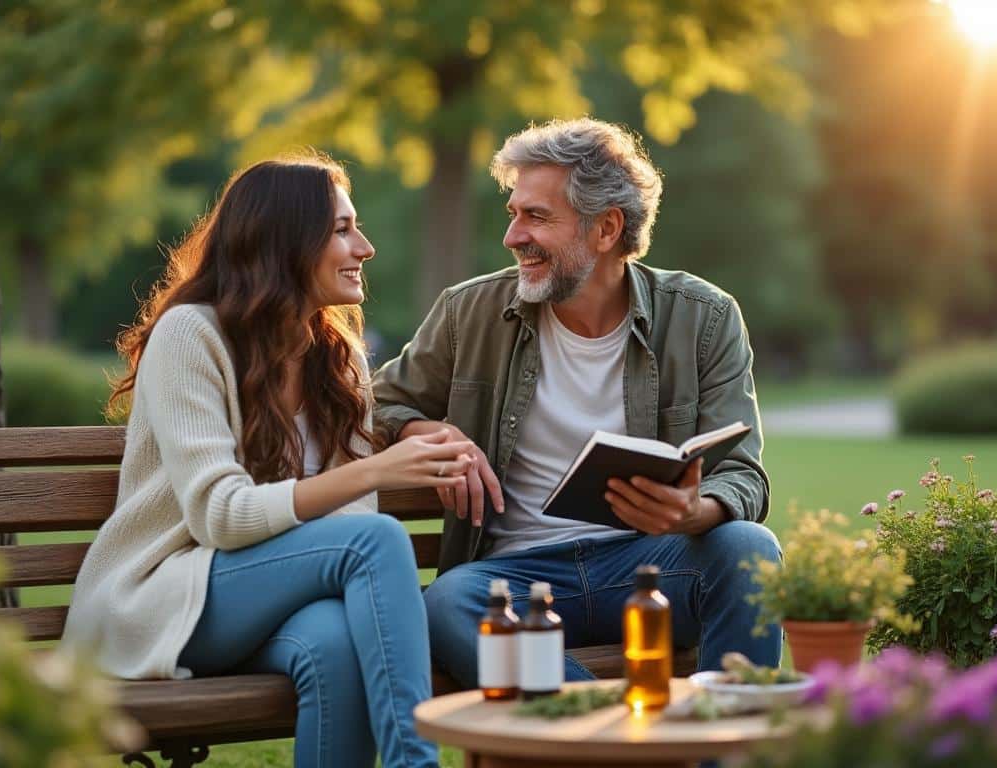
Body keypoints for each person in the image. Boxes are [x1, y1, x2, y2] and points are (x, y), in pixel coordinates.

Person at [63, 155, 473, 768]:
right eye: (340, 229)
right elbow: (219, 518)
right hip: (164, 602)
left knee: (333, 646)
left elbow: (345, 517)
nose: (364, 246)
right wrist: (378, 470)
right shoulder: (190, 335)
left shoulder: (338, 359)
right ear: (284, 239)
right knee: (377, 539)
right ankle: (415, 762)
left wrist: (363, 480)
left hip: (263, 601)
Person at [371, 118, 782, 689]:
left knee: (749, 550)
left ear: (606, 228)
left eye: (536, 217)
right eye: (513, 213)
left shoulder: (702, 317)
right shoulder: (469, 313)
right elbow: (378, 403)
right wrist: (432, 436)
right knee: (446, 603)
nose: (513, 236)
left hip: (648, 568)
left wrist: (695, 513)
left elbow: (743, 476)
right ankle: (609, 739)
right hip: (516, 576)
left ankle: (723, 745)